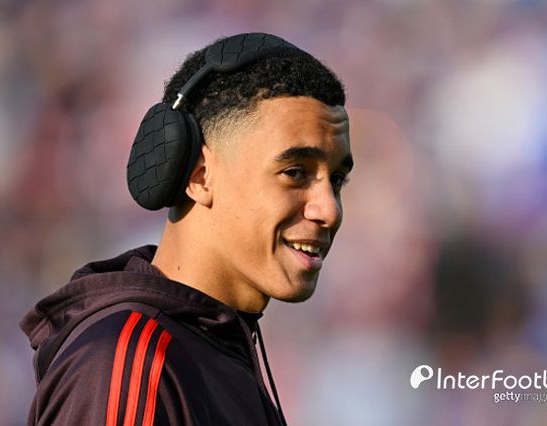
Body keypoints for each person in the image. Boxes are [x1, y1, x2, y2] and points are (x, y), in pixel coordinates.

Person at [20, 32, 353, 426]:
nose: (329, 210)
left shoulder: (215, 350)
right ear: (199, 175)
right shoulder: (133, 361)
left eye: (336, 180)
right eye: (295, 172)